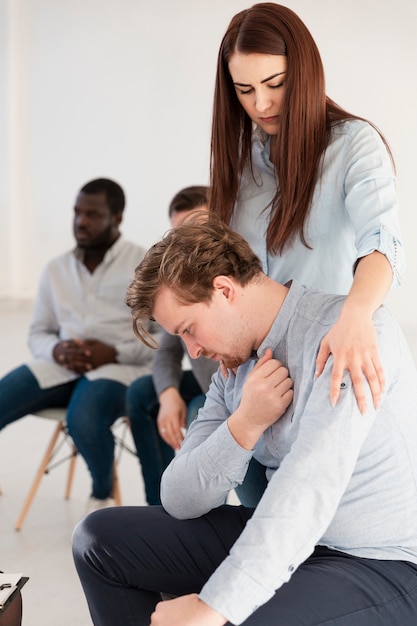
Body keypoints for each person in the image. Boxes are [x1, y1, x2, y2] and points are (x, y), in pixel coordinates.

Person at [72, 217, 417, 626]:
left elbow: (309, 487)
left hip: (378, 561)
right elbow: (178, 498)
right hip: (300, 547)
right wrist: (244, 424)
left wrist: (212, 606)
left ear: (224, 290)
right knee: (99, 541)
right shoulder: (234, 371)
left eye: (189, 330)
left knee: (239, 618)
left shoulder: (349, 336)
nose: (193, 351)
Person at [208, 2, 405, 416]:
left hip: (328, 365)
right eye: (245, 91)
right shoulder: (241, 162)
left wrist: (356, 314)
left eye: (275, 82)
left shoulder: (354, 144)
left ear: (304, 70)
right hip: (254, 380)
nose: (261, 104)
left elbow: (382, 243)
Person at [0, 178, 158, 511]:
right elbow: (38, 333)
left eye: (92, 214)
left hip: (118, 369)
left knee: (83, 418)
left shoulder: (145, 264)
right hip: (60, 366)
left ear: (117, 217)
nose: (80, 222)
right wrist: (56, 350)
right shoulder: (55, 269)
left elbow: (162, 338)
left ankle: (101, 492)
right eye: (76, 213)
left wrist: (113, 351)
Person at [126, 185, 217, 505]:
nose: (188, 243)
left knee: (196, 414)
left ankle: (198, 514)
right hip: (206, 382)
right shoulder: (183, 283)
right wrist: (168, 395)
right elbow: (167, 349)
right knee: (141, 394)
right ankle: (157, 504)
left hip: (230, 392)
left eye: (198, 228)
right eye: (179, 235)